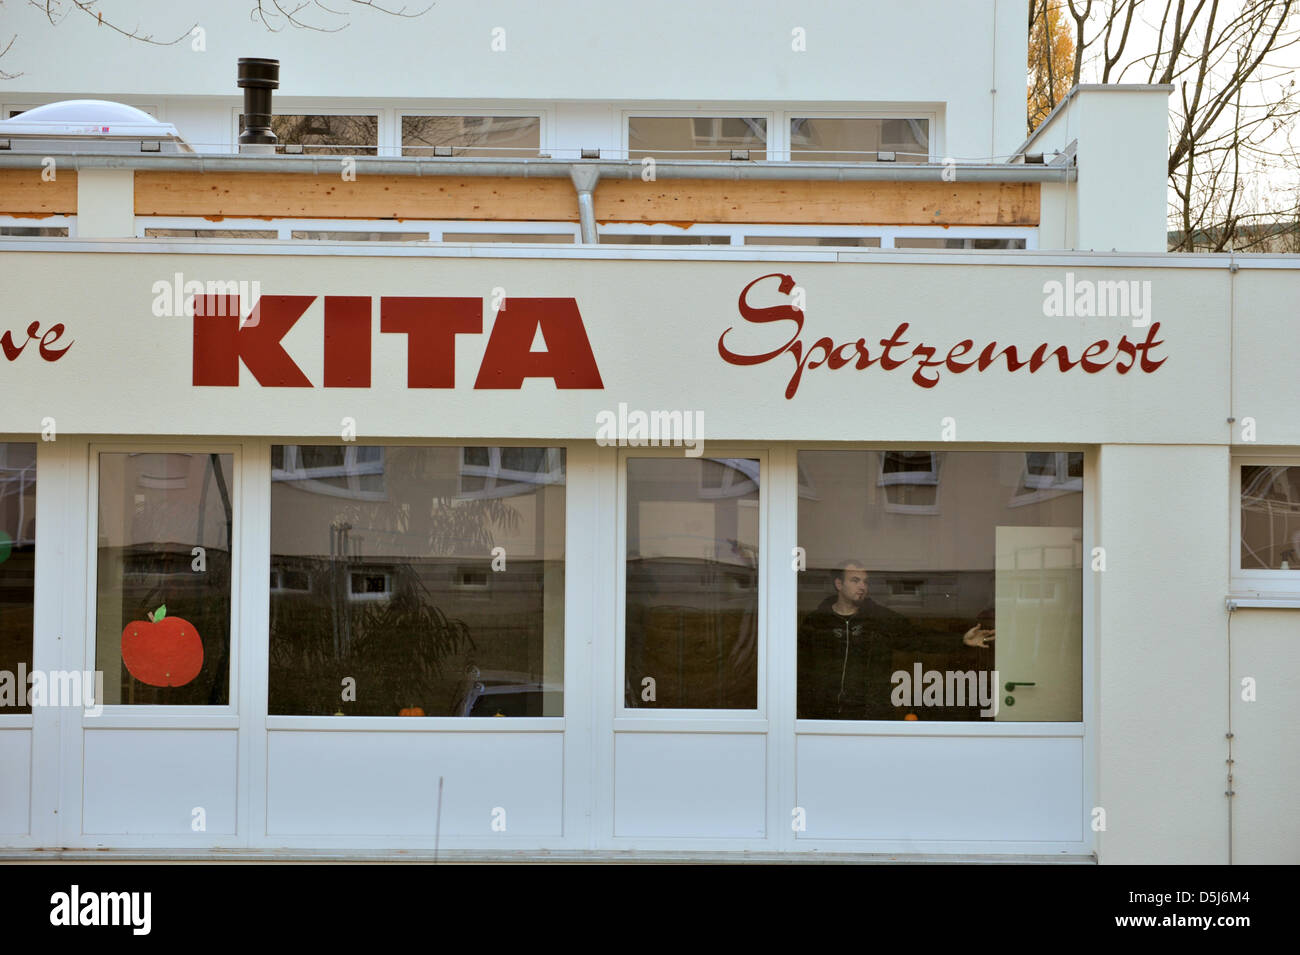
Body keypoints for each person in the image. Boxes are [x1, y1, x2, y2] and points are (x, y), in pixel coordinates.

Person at [797, 560, 993, 720]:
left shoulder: (880, 619)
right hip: (822, 719)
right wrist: (804, 712)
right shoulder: (817, 622)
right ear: (839, 584)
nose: (862, 586)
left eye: (865, 582)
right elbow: (800, 669)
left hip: (869, 717)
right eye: (855, 580)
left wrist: (960, 640)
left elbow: (919, 637)